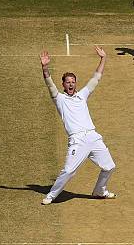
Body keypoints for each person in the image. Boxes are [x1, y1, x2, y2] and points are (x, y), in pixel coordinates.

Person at [39, 47, 117, 205]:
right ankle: (51, 195)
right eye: (67, 82)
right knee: (68, 171)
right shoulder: (59, 99)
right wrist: (44, 67)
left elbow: (96, 78)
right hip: (77, 140)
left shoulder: (82, 95)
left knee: (109, 167)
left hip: (93, 137)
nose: (71, 84)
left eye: (73, 82)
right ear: (63, 84)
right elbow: (49, 84)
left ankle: (99, 191)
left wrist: (103, 58)